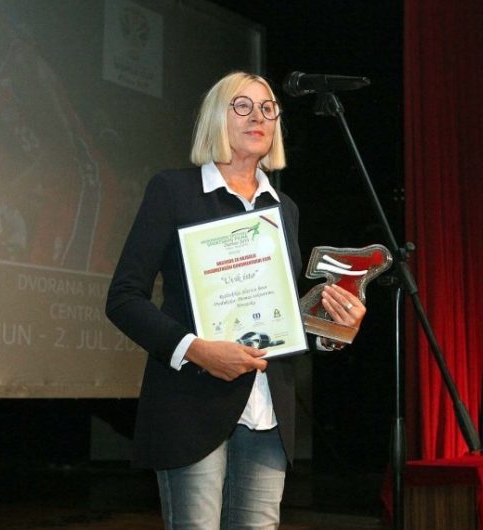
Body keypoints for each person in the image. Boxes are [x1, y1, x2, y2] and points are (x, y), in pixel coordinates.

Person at [105, 72, 366, 529]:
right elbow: (124, 298)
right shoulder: (173, 191)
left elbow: (279, 316)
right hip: (191, 403)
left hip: (268, 412)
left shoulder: (284, 208)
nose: (257, 117)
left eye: (267, 108)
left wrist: (333, 329)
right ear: (215, 118)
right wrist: (195, 350)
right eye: (242, 106)